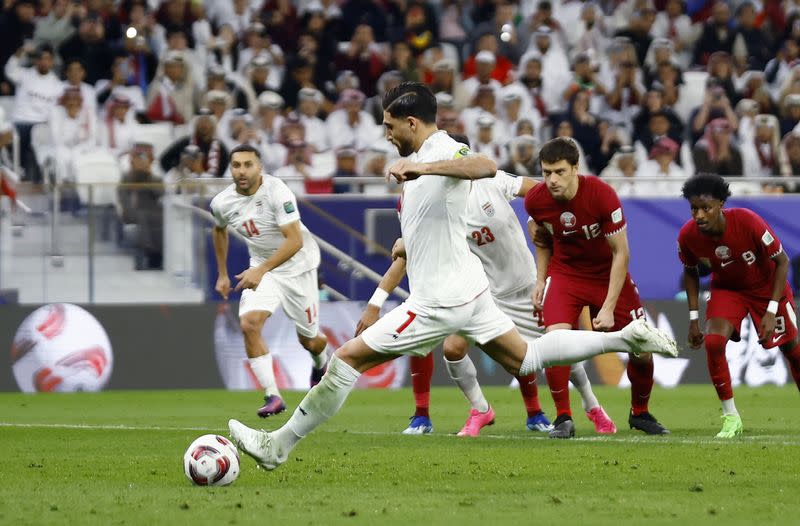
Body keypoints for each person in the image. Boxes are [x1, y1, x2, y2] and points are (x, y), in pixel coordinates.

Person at [227, 82, 677, 470]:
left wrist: (420, 167)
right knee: (529, 359)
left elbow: (481, 165)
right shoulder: (419, 159)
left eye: (390, 126)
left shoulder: (438, 150)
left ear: (412, 123)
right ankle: (629, 338)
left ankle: (277, 446)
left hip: (439, 301)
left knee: (346, 358)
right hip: (473, 291)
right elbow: (435, 218)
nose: (386, 135)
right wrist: (409, 242)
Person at [356, 152, 615, 437]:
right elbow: (406, 257)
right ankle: (481, 409)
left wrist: (536, 220)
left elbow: (538, 192)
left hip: (526, 286)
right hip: (486, 294)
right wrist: (379, 295)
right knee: (453, 350)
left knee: (558, 350)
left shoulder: (492, 181)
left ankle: (592, 407)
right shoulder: (441, 209)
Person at [525, 137, 670, 437]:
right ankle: (563, 418)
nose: (552, 180)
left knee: (641, 349)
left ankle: (639, 413)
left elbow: (622, 253)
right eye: (546, 172)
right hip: (566, 275)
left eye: (560, 172)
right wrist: (540, 280)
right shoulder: (536, 201)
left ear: (576, 168)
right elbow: (543, 243)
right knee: (554, 344)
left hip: (607, 276)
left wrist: (606, 306)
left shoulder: (602, 195)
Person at [210, 144, 330, 419]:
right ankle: (272, 394)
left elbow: (295, 241)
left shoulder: (278, 191)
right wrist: (223, 273)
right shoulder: (222, 202)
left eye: (248, 164)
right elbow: (219, 230)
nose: (242, 171)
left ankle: (320, 364)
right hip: (263, 269)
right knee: (249, 324)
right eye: (236, 165)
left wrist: (260, 269)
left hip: (299, 267)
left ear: (259, 167)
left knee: (310, 340)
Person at [678, 174, 800, 438]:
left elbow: (782, 262)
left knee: (793, 351)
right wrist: (693, 318)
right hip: (728, 290)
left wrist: (770, 309)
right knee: (712, 343)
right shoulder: (688, 235)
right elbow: (690, 271)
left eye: (706, 208)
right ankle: (731, 418)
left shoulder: (747, 221)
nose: (699, 215)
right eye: (694, 209)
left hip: (767, 288)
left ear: (721, 204)